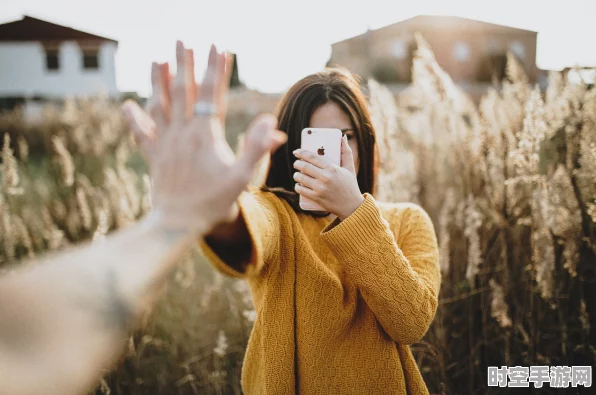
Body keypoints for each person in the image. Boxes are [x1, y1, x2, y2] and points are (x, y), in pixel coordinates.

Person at [139, 54, 441, 393]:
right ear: (291, 148)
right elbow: (248, 227)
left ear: (365, 141)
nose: (335, 154)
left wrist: (354, 212)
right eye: (317, 141)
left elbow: (412, 322)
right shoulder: (276, 213)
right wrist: (220, 209)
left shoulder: (408, 221)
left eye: (348, 137)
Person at [0, 41, 286, 395]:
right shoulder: (279, 212)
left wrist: (174, 218)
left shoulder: (377, 217)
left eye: (347, 137)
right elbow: (18, 343)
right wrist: (178, 218)